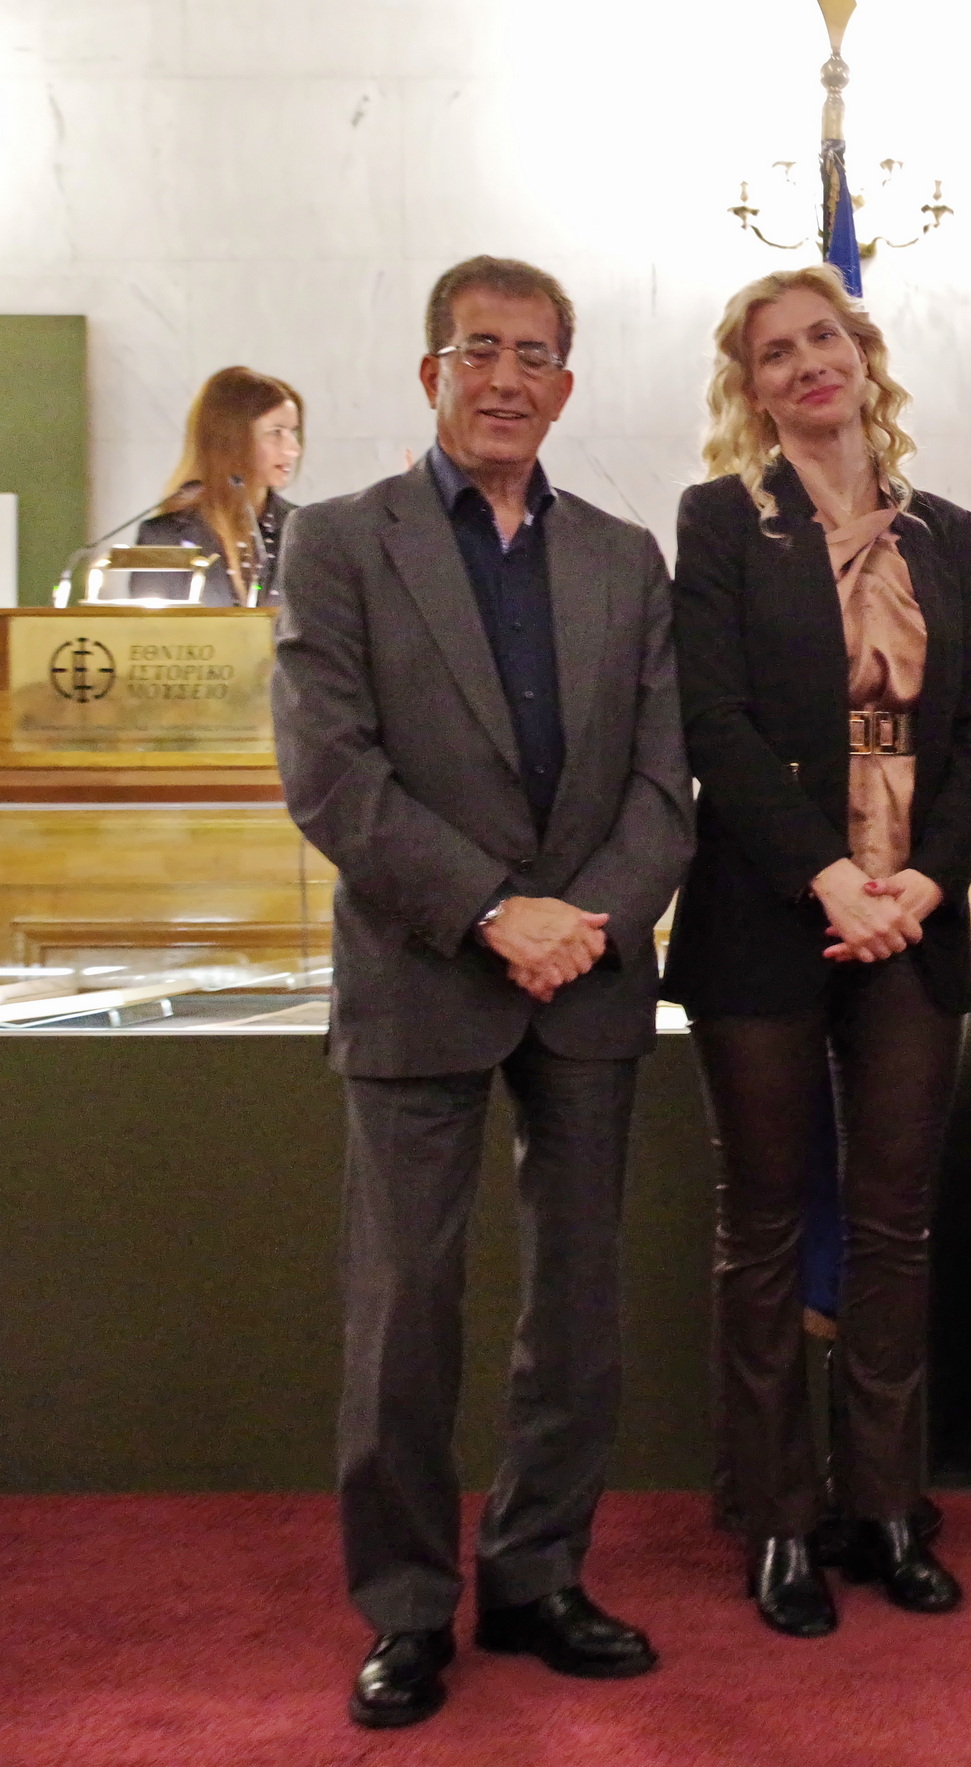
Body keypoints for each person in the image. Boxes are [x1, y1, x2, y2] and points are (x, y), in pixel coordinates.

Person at [271, 256, 694, 1728]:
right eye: (476, 351)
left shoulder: (625, 557)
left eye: (531, 355)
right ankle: (403, 1608)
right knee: (405, 1310)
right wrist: (491, 911)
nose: (504, 378)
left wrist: (587, 919)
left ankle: (535, 1574)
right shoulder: (338, 541)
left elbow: (663, 783)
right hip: (422, 969)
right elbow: (331, 773)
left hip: (587, 976)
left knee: (574, 1306)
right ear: (430, 374)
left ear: (565, 386)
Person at [664, 265, 971, 1639]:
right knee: (760, 1228)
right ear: (749, 387)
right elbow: (714, 722)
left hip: (911, 918)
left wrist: (920, 881)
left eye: (824, 336)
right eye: (774, 352)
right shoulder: (720, 522)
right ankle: (778, 1518)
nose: (807, 363)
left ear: (862, 351)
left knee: (893, 1225)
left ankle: (885, 1504)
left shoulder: (946, 530)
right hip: (766, 912)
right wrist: (827, 879)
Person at [134, 365, 305, 604]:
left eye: (293, 432)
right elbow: (149, 626)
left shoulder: (304, 531)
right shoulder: (164, 537)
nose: (293, 450)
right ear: (231, 439)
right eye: (276, 433)